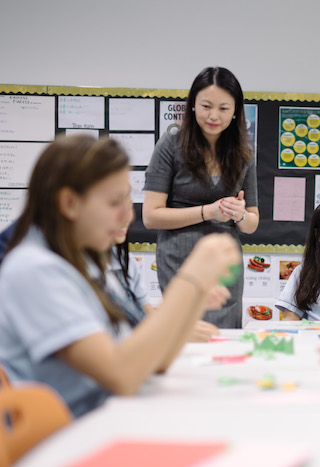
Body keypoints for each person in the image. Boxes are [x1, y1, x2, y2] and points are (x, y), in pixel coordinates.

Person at [0, 135, 241, 417]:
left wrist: (197, 294)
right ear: (69, 203)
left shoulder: (89, 262)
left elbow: (156, 359)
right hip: (74, 437)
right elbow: (122, 375)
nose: (128, 216)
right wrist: (190, 280)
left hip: (112, 418)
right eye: (114, 202)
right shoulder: (34, 269)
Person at [143, 66, 258, 329]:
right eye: (206, 106)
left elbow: (252, 223)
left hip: (224, 263)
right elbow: (151, 216)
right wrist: (208, 211)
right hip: (178, 260)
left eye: (224, 108)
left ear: (236, 111)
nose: (214, 115)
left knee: (224, 340)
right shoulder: (171, 145)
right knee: (184, 336)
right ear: (193, 104)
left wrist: (239, 213)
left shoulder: (244, 153)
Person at [109, 208, 226, 341]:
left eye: (128, 204)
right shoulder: (83, 276)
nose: (127, 217)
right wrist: (174, 332)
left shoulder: (125, 262)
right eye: (113, 204)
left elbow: (148, 316)